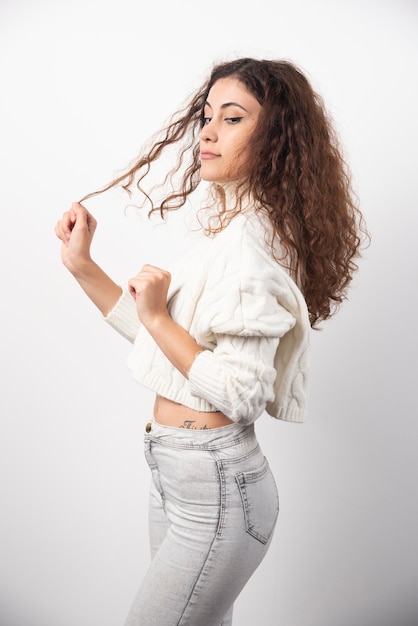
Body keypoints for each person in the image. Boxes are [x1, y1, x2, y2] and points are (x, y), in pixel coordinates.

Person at [55, 57, 367, 626]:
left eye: (232, 118)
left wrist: (157, 318)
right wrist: (84, 268)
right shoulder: (239, 231)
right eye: (206, 116)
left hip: (214, 488)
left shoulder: (248, 245)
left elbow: (242, 393)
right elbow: (173, 356)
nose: (207, 131)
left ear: (275, 137)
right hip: (181, 477)